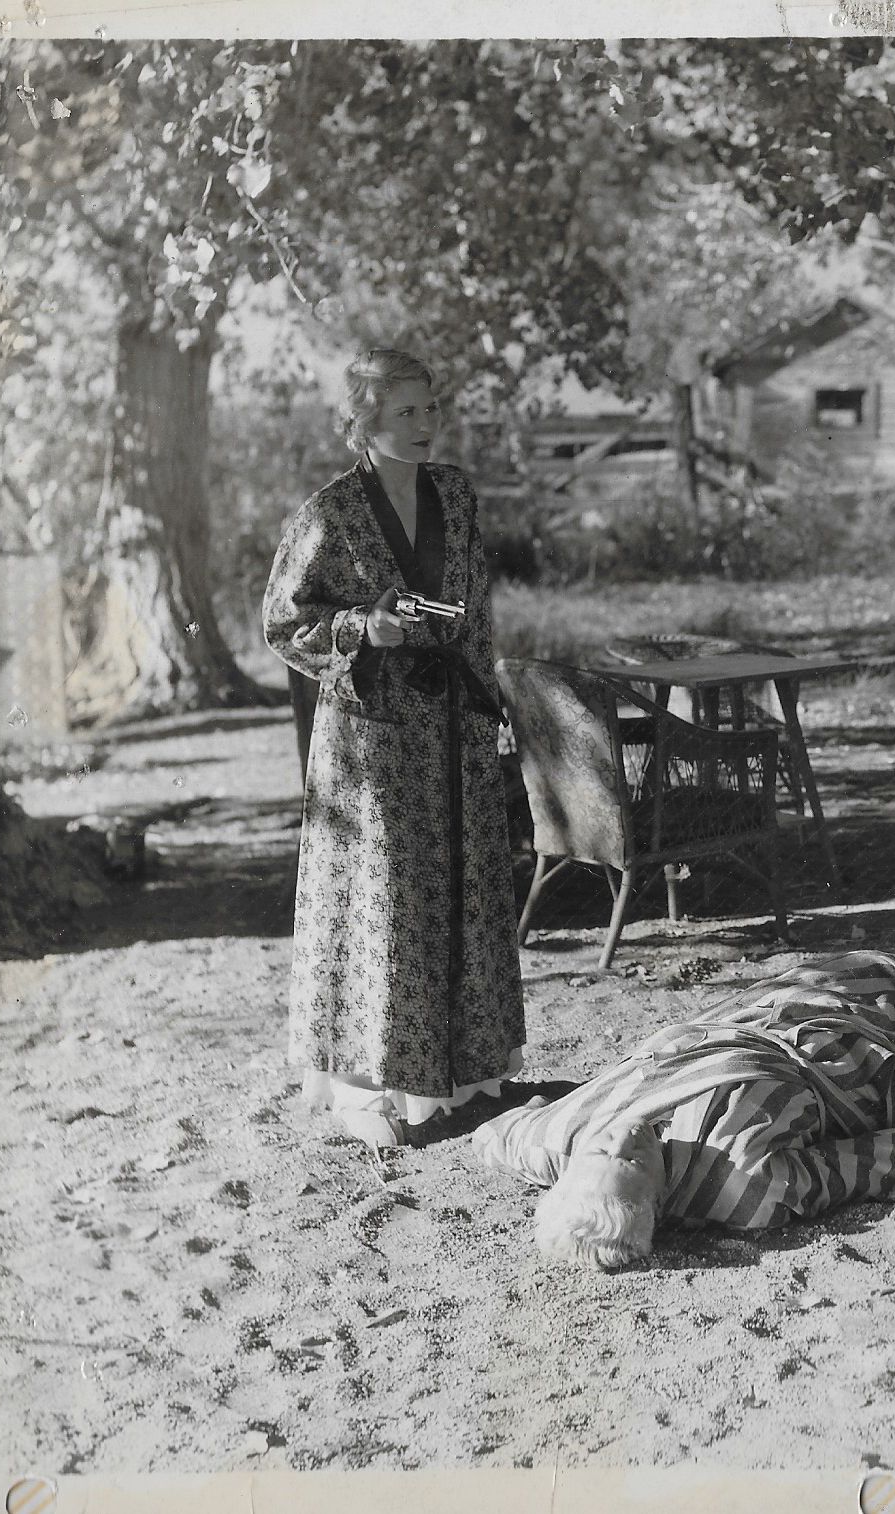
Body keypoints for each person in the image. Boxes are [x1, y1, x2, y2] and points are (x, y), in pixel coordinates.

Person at [263, 347, 525, 1149]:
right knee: (386, 902)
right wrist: (358, 628)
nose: (424, 425)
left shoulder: (456, 494)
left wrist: (488, 704)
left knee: (465, 892)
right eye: (405, 413)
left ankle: (473, 1079)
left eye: (430, 409)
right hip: (374, 744)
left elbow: (476, 610)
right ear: (363, 424)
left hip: (452, 726)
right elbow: (284, 621)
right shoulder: (330, 513)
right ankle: (374, 1087)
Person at [472, 952, 895, 1267]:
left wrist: (525, 1118)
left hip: (759, 1009)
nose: (625, 1136)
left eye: (601, 1152)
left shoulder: (559, 1141)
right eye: (631, 1162)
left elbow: (500, 1137)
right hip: (851, 1047)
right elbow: (852, 1169)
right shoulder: (745, 1184)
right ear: (657, 1206)